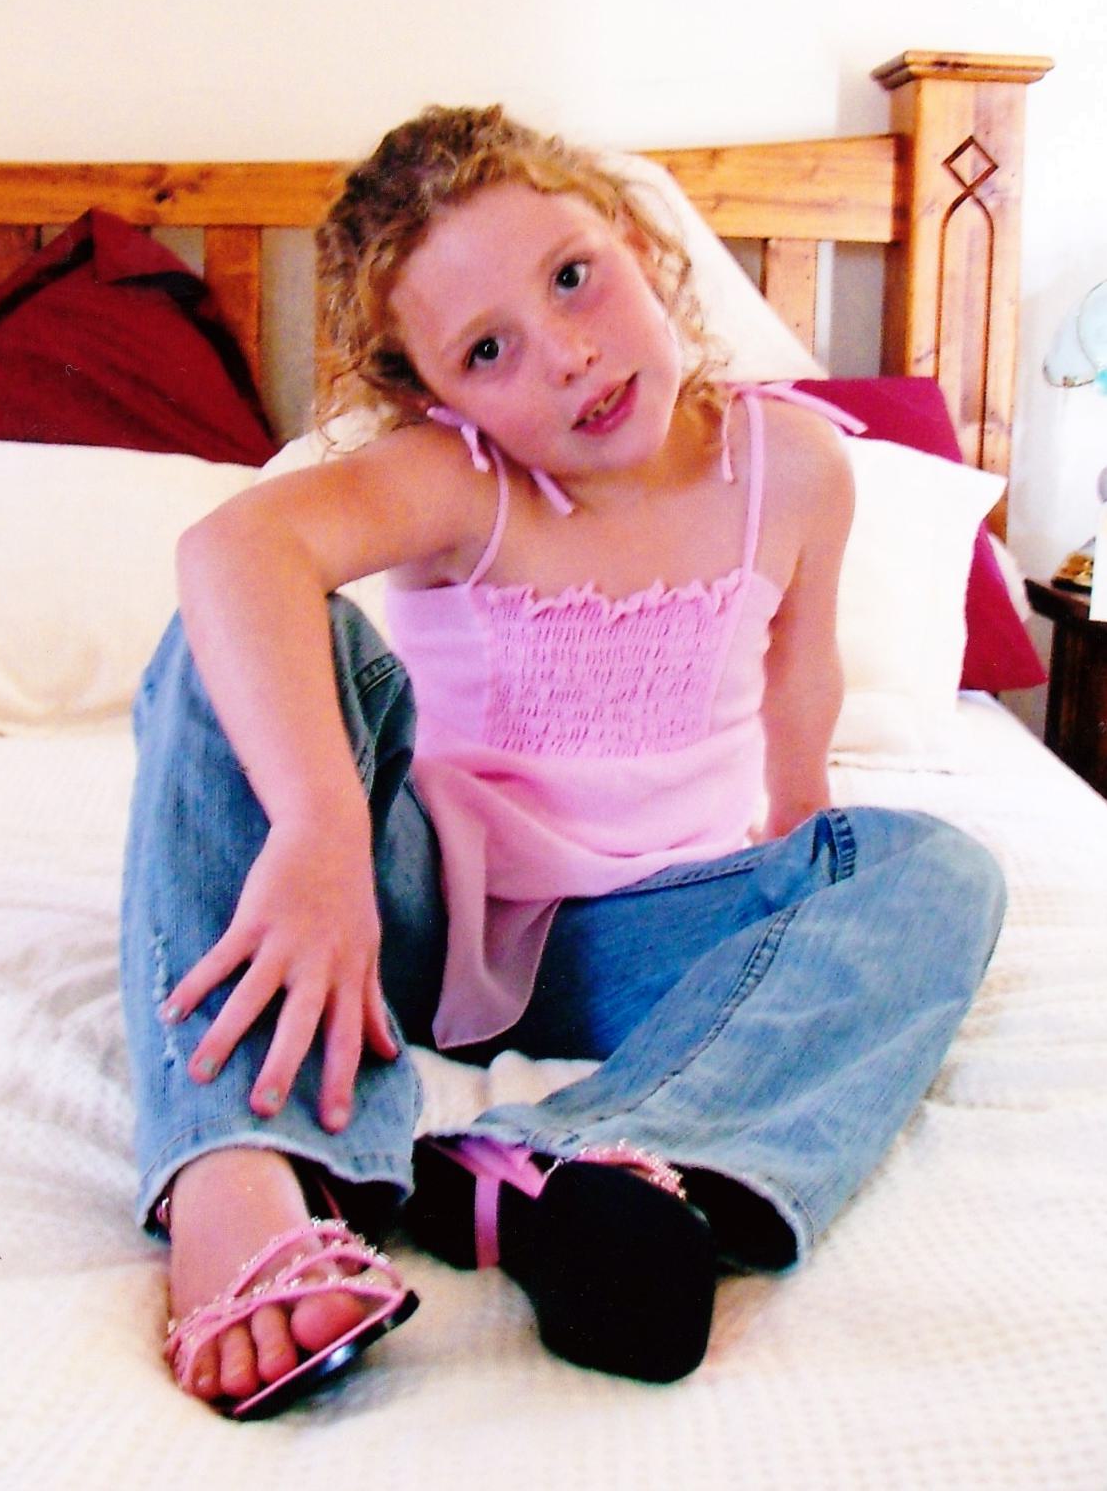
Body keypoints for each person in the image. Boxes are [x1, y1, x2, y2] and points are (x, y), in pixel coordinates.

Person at [121, 104, 1006, 1419]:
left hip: (657, 949)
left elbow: (798, 680)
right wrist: (319, 828)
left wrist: (806, 866)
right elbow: (232, 549)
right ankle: (238, 1170)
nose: (565, 354)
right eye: (488, 351)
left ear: (641, 242)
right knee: (239, 638)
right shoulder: (465, 481)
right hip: (408, 925)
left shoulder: (797, 467)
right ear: (439, 400)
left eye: (574, 277)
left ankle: (565, 1166)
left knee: (938, 870)